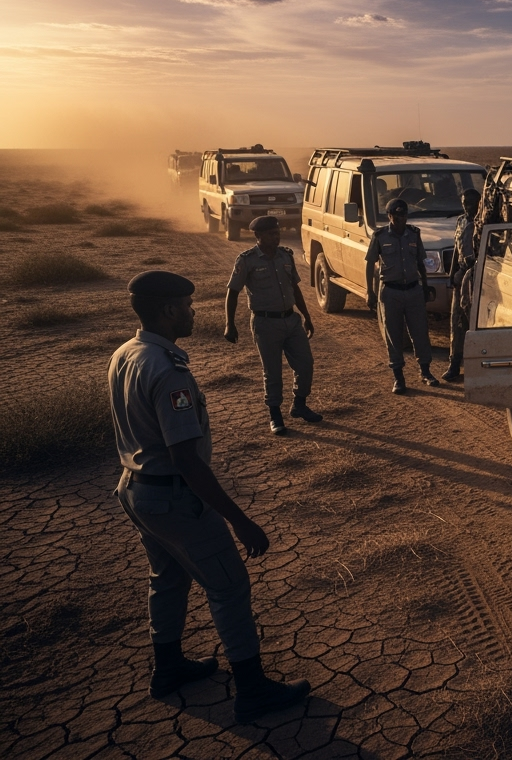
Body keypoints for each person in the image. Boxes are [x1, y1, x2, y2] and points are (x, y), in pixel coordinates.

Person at [109, 271, 310, 723]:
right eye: (185, 304)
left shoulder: (127, 353)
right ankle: (253, 689)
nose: (192, 310)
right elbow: (187, 459)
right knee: (229, 587)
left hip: (138, 493)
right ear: (167, 311)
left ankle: (168, 668)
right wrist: (240, 520)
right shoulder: (167, 370)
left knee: (168, 578)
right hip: (175, 500)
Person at [223, 215, 321, 435]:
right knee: (272, 371)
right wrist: (229, 324)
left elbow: (295, 289)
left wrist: (306, 315)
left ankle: (299, 405)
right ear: (258, 236)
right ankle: (275, 415)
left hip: (291, 320)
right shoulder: (246, 260)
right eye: (270, 234)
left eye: (277, 233)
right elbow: (232, 292)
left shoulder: (286, 256)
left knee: (305, 364)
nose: (276, 237)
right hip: (265, 323)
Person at [366, 197, 437, 394]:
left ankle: (425, 372)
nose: (401, 220)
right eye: (397, 217)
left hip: (413, 290)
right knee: (393, 335)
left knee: (420, 332)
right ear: (389, 216)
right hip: (391, 292)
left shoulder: (414, 234)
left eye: (404, 216)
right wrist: (370, 291)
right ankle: (398, 377)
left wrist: (425, 285)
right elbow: (370, 263)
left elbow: (421, 262)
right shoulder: (380, 236)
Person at [442, 188, 482, 383]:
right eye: (465, 203)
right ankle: (454, 364)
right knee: (456, 323)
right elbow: (456, 250)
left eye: (471, 203)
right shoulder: (460, 221)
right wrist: (451, 276)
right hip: (461, 275)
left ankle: (477, 367)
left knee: (475, 323)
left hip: (479, 277)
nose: (468, 207)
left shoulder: (484, 223)